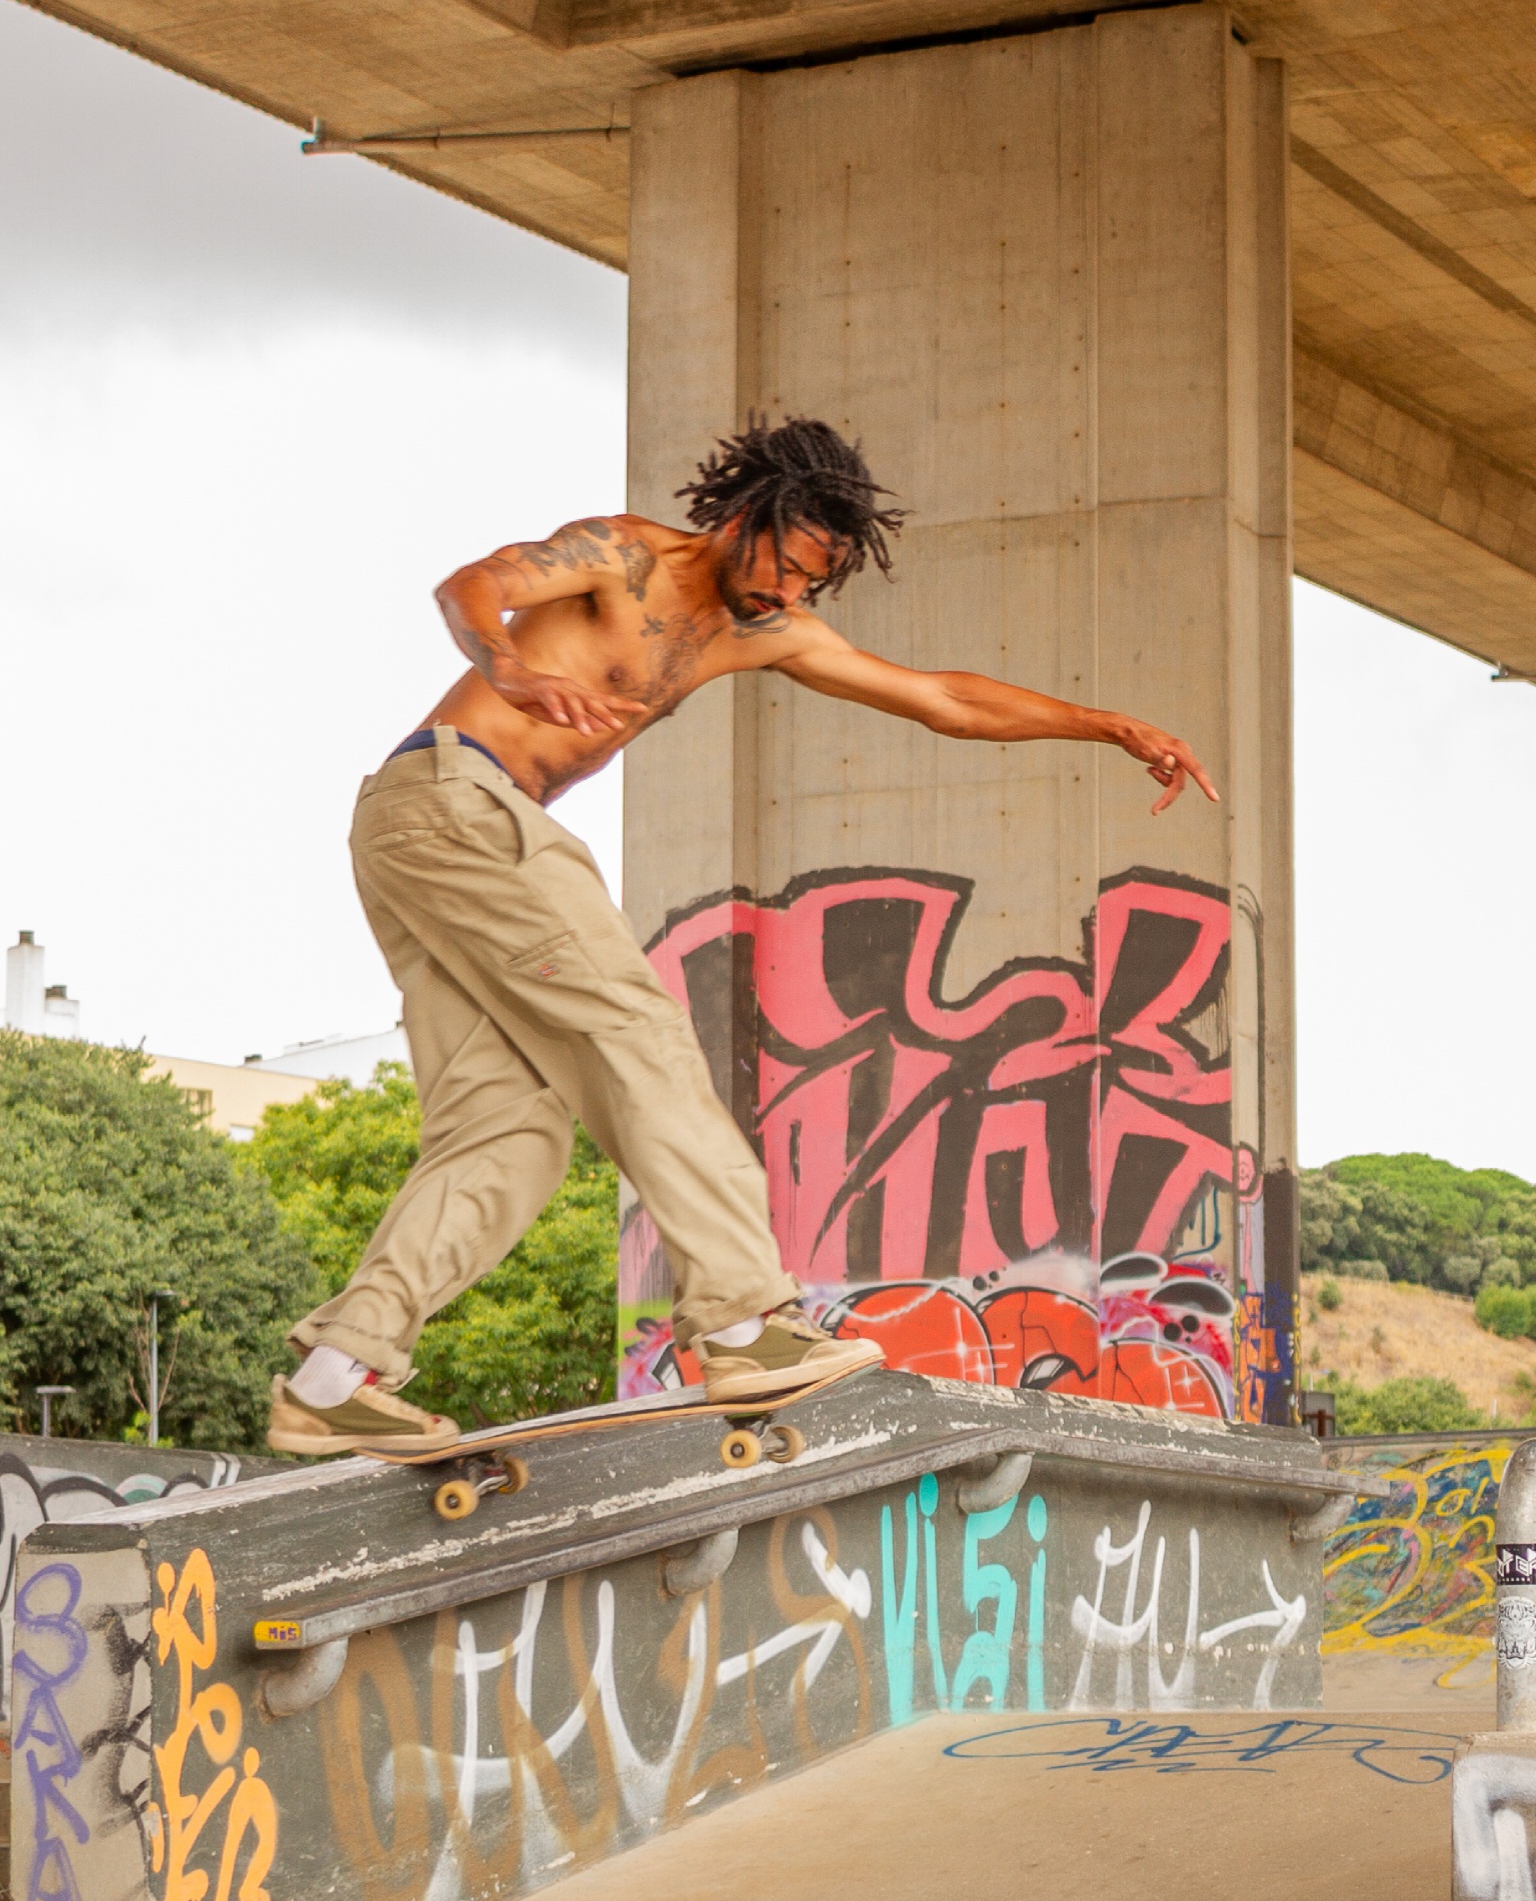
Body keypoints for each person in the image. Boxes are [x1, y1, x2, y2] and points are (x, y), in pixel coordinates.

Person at [271, 415, 1219, 1456]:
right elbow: (473, 584)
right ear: (744, 518)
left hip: (429, 836)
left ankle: (336, 1370)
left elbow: (940, 698)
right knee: (640, 1035)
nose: (788, 599)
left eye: (814, 585)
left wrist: (1113, 726)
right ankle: (741, 1321)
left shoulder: (763, 629)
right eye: (788, 567)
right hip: (458, 800)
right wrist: (509, 664)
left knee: (513, 1128)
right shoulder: (625, 556)